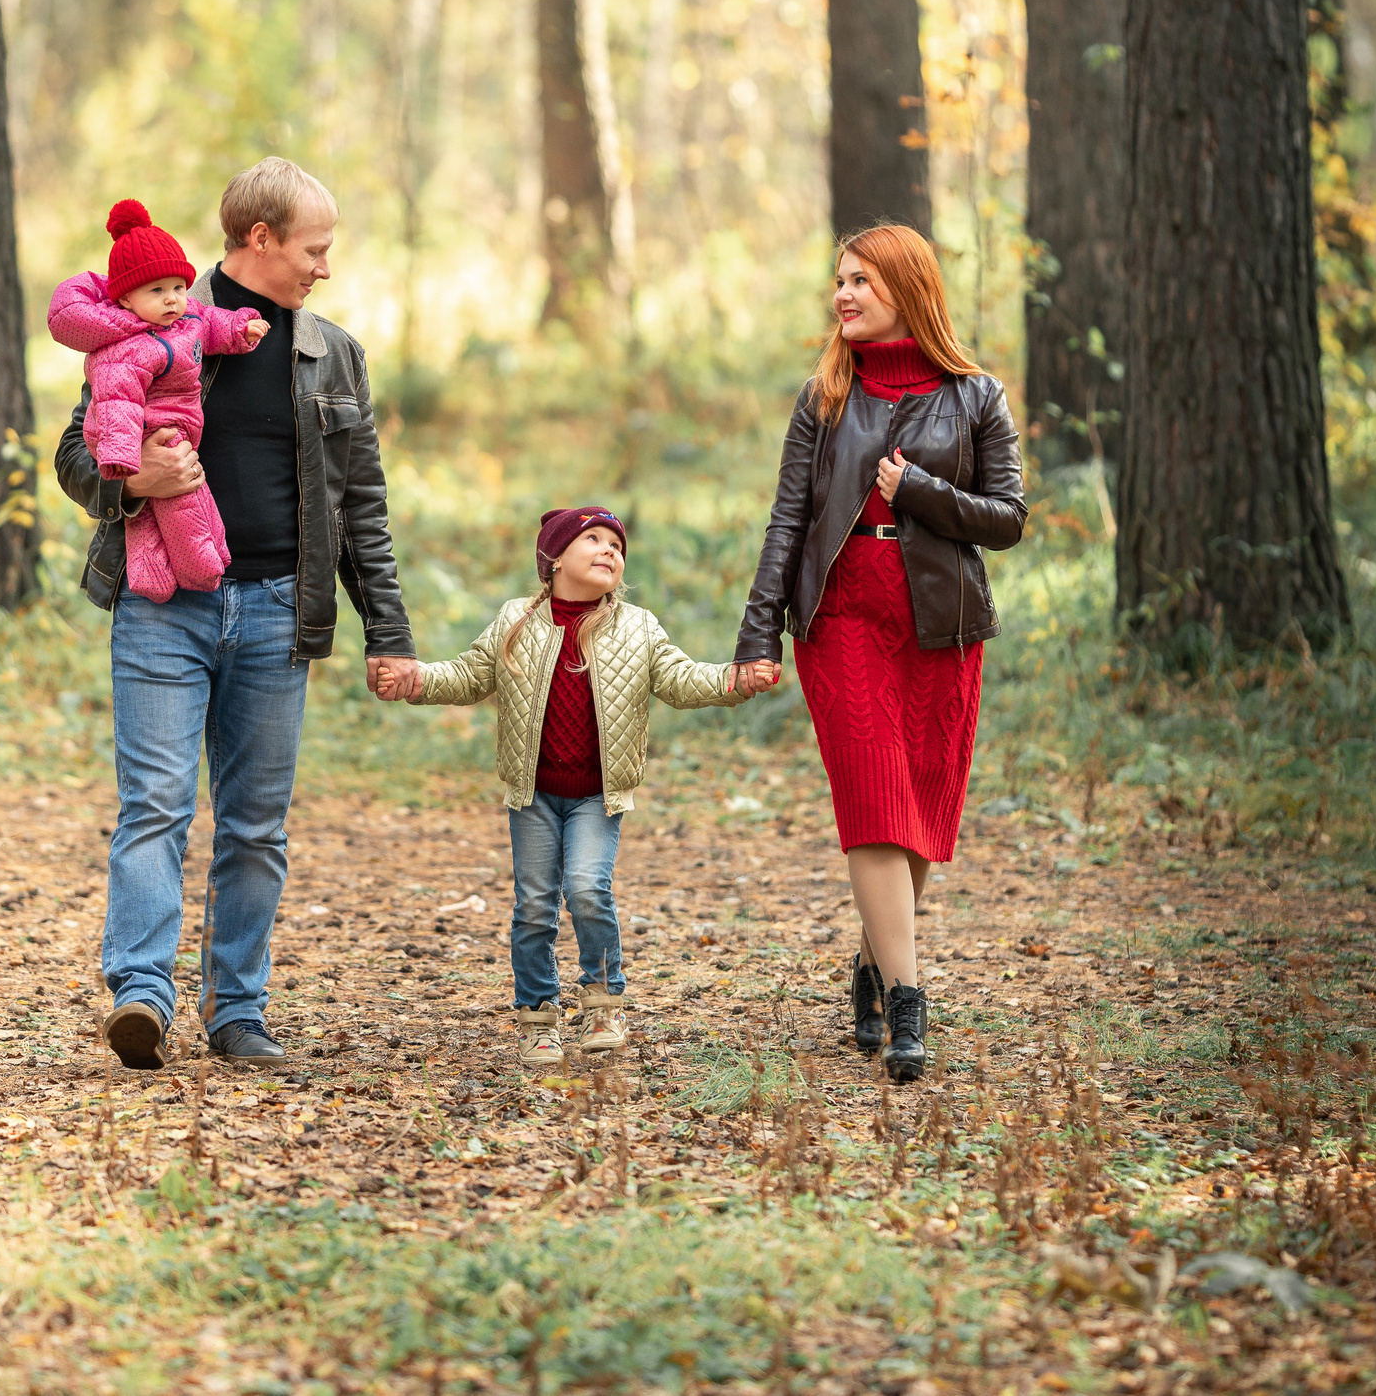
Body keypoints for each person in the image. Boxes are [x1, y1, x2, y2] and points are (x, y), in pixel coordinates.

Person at [53, 158, 416, 1068]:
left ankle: (236, 1012)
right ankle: (140, 995)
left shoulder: (332, 353)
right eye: (313, 248)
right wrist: (129, 478)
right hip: (162, 605)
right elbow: (73, 452)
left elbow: (360, 504)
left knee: (255, 824)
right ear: (260, 239)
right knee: (157, 806)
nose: (324, 267)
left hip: (275, 614)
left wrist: (388, 631)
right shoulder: (162, 318)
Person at [731, 225, 1027, 1084]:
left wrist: (922, 491)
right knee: (875, 800)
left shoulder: (976, 396)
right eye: (839, 280)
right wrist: (759, 634)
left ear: (908, 286)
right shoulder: (824, 395)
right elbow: (788, 519)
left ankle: (871, 962)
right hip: (844, 616)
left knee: (922, 813)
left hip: (941, 623)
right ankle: (907, 996)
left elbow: (1007, 518)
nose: (844, 294)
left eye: (862, 279)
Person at [375, 507, 755, 1068]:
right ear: (553, 559)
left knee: (586, 888)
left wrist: (733, 678)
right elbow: (467, 675)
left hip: (598, 795)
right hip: (533, 794)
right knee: (533, 906)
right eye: (593, 540)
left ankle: (603, 1004)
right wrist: (414, 680)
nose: (609, 551)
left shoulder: (638, 628)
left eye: (616, 546)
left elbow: (680, 678)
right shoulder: (515, 621)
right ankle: (537, 1017)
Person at [45, 200, 268, 601]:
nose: (172, 299)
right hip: (142, 439)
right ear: (126, 299)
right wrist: (124, 461)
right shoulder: (123, 346)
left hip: (171, 431)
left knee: (158, 513)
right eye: (157, 290)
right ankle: (200, 569)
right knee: (180, 505)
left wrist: (242, 327)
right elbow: (118, 401)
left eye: (178, 288)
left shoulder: (184, 321)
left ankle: (159, 576)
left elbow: (212, 324)